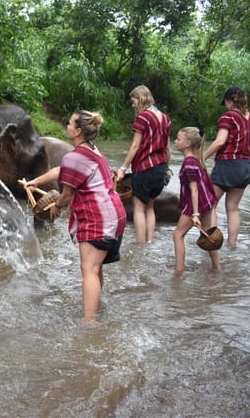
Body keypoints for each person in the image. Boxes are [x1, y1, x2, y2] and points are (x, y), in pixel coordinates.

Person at [24, 110, 127, 321]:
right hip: (115, 215)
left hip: (98, 219)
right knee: (95, 268)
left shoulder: (75, 156)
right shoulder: (92, 150)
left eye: (70, 123)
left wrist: (57, 206)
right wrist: (36, 181)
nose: (67, 126)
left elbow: (67, 194)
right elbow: (62, 170)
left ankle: (89, 323)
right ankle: (95, 307)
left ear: (78, 131)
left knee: (88, 269)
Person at [203, 86, 250, 248]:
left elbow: (220, 141)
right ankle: (231, 245)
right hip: (245, 167)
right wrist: (248, 163)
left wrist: (202, 158)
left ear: (229, 101)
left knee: (211, 205)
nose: (226, 106)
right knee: (233, 208)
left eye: (226, 102)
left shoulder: (228, 117)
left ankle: (211, 242)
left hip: (227, 164)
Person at [115, 85, 171, 244]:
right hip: (160, 168)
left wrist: (123, 169)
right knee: (150, 207)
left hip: (145, 168)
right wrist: (166, 168)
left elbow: (135, 146)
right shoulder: (165, 118)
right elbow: (167, 148)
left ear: (140, 99)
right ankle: (150, 242)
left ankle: (140, 245)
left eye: (134, 101)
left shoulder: (143, 117)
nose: (133, 105)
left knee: (138, 207)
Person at [172, 127, 220, 274]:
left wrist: (195, 214)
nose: (175, 141)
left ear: (187, 143)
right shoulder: (195, 160)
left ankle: (179, 271)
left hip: (196, 205)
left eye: (178, 139)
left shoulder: (190, 163)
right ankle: (217, 268)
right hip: (205, 203)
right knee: (209, 235)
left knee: (177, 235)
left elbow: (194, 190)